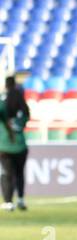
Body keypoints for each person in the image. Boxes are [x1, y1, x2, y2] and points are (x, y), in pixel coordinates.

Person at [1, 76, 29, 211]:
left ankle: (8, 202)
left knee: (7, 174)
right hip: (21, 145)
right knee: (19, 173)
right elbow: (26, 118)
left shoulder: (3, 102)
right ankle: (21, 200)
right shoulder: (21, 103)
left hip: (4, 145)